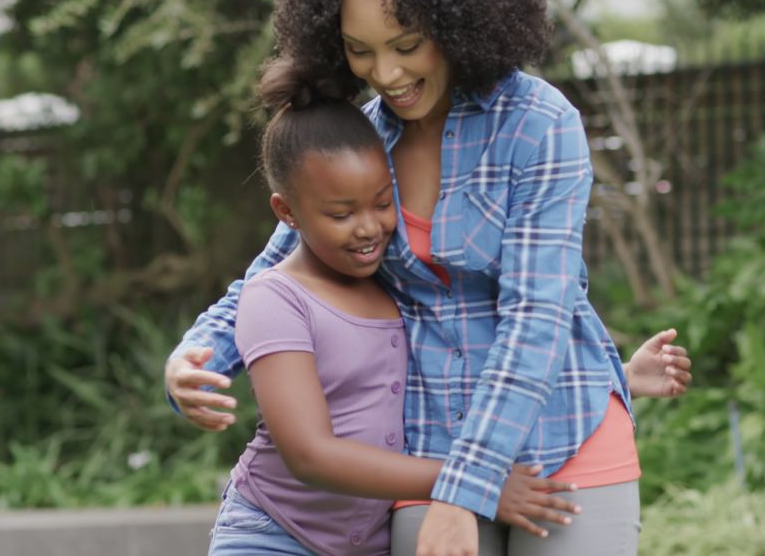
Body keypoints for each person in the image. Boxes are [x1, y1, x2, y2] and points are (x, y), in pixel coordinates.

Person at [168, 0, 693, 554]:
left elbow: (535, 319)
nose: (386, 73)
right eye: (359, 50)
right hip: (429, 447)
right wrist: (195, 358)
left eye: (407, 45)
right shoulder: (359, 140)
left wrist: (464, 489)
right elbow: (277, 269)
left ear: (459, 21)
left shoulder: (538, 124)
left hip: (563, 434)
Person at [209, 57, 582, 556]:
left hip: (369, 542)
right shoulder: (275, 298)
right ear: (286, 212)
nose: (368, 227)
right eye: (341, 214)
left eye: (383, 203)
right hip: (274, 535)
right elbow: (310, 455)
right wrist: (470, 481)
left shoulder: (393, 283)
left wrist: (622, 376)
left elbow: (459, 358)